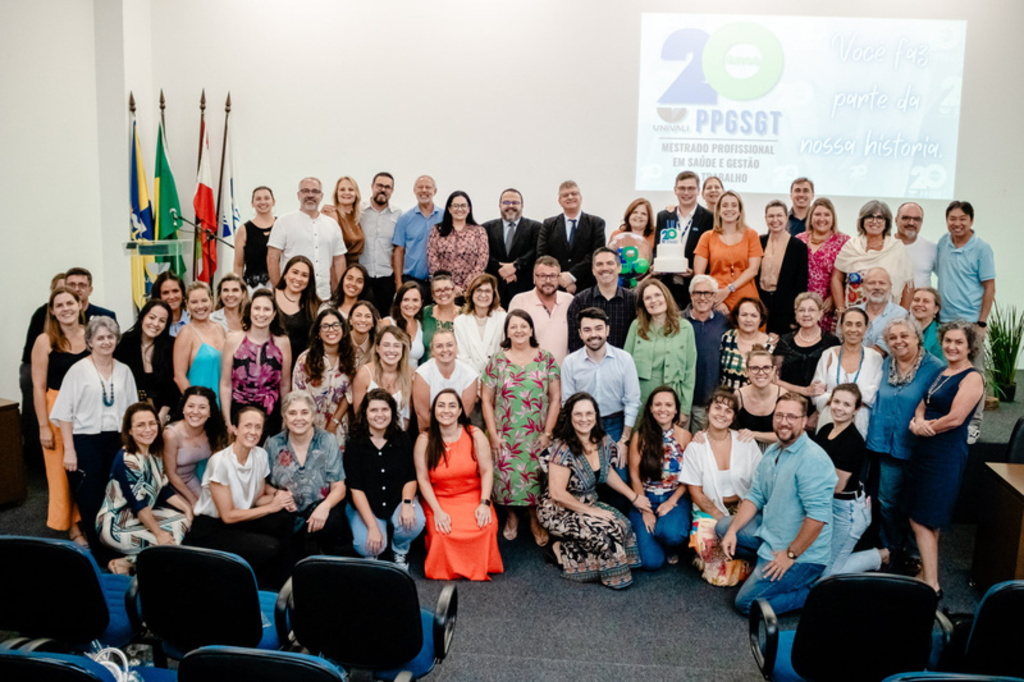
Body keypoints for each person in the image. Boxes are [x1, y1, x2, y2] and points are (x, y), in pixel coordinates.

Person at [719, 394, 837, 615]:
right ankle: (766, 569)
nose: (784, 422)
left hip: (802, 554)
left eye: (792, 417)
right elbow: (755, 495)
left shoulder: (813, 460)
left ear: (804, 422)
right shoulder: (773, 451)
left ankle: (813, 592)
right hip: (772, 535)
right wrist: (734, 531)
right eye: (780, 415)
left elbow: (817, 518)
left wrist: (789, 556)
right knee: (724, 527)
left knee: (746, 604)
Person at [537, 392, 648, 589]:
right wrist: (593, 512)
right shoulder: (562, 448)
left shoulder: (602, 440)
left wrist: (634, 497)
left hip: (588, 501)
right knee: (607, 536)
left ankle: (588, 555)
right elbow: (557, 494)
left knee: (623, 525)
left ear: (596, 415)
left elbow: (608, 473)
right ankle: (560, 551)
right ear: (570, 417)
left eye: (589, 413)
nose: (584, 419)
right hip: (558, 510)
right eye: (578, 414)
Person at [907, 321, 985, 595]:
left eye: (958, 342)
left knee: (921, 519)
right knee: (930, 517)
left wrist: (927, 427)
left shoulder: (972, 377)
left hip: (945, 454)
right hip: (925, 451)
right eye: (948, 341)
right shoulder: (942, 371)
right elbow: (922, 404)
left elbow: (955, 419)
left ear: (969, 347)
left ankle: (932, 585)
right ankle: (927, 572)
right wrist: (917, 422)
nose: (952, 346)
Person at [51, 317, 138, 550]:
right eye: (100, 337)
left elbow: (132, 412)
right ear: (90, 341)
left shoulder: (124, 371)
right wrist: (69, 450)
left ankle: (118, 545)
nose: (106, 341)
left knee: (118, 496)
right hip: (85, 442)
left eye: (110, 337)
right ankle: (99, 555)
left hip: (118, 441)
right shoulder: (77, 370)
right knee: (91, 498)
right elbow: (64, 413)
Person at [186, 406, 295, 589]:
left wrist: (280, 497)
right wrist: (271, 507)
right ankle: (256, 590)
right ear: (235, 429)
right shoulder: (220, 462)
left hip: (242, 516)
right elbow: (228, 516)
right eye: (248, 426)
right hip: (212, 527)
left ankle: (286, 585)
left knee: (286, 518)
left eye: (258, 427)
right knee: (270, 547)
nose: (253, 432)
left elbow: (259, 497)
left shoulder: (259, 454)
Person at [866, 317, 944, 574]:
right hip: (887, 445)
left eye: (904, 336)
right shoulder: (886, 363)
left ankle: (916, 553)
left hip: (918, 448)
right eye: (893, 338)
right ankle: (892, 547)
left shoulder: (934, 368)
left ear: (917, 338)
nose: (898, 341)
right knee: (887, 502)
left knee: (917, 506)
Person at [481, 310, 561, 544]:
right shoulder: (497, 360)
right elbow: (486, 399)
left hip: (537, 433)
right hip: (504, 434)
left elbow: (555, 398)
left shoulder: (546, 359)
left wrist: (548, 432)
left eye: (523, 326)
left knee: (536, 477)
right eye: (513, 326)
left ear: (531, 329)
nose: (518, 330)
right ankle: (512, 516)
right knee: (506, 478)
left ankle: (534, 517)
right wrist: (493, 435)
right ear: (506, 331)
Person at [414, 389, 503, 581]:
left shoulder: (475, 435)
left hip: (472, 495)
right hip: (439, 499)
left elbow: (487, 471)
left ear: (461, 410)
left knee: (485, 527)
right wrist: (437, 510)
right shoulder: (424, 440)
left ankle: (478, 566)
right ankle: (445, 568)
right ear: (434, 410)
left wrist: (484, 503)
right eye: (441, 405)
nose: (447, 411)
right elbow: (422, 479)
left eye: (452, 405)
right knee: (443, 533)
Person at [97, 403, 192, 573]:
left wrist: (187, 508)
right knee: (167, 544)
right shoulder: (127, 460)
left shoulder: (153, 454)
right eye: (140, 425)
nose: (148, 429)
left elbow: (162, 490)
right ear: (130, 431)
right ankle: (135, 567)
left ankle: (130, 562)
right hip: (117, 524)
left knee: (182, 521)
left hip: (138, 516)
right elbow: (138, 505)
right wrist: (159, 533)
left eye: (152, 423)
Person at [680, 388, 762, 586]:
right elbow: (696, 493)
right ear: (708, 410)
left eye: (728, 410)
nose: (721, 414)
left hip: (745, 510)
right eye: (717, 408)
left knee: (744, 546)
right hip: (709, 513)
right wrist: (720, 517)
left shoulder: (745, 442)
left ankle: (739, 559)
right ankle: (744, 564)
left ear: (733, 417)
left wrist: (741, 516)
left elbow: (760, 483)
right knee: (719, 575)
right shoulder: (696, 446)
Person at [32, 287, 89, 542]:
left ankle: (88, 518)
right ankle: (71, 526)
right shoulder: (45, 341)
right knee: (60, 474)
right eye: (59, 305)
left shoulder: (91, 335)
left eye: (70, 303)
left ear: (80, 305)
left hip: (88, 412)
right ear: (53, 311)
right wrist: (43, 426)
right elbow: (38, 386)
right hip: (55, 410)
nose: (65, 308)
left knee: (85, 468)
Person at [344, 389, 425, 568]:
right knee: (367, 546)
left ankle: (400, 550)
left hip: (396, 500)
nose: (379, 415)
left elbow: (410, 477)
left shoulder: (403, 439)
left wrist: (406, 504)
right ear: (365, 414)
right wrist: (372, 527)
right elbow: (355, 489)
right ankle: (375, 548)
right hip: (367, 505)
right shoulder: (354, 443)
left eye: (384, 409)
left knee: (414, 522)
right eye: (373, 410)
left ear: (392, 412)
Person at [936, 201, 994, 444]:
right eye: (952, 218)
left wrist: (981, 323)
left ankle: (974, 423)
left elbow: (989, 286)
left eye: (962, 219)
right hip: (945, 320)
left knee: (975, 372)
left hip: (971, 321)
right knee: (945, 371)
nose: (957, 223)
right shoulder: (943, 242)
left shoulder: (982, 248)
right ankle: (948, 416)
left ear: (971, 220)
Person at [815, 384, 888, 577]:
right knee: (815, 561)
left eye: (847, 405)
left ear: (856, 410)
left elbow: (837, 486)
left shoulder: (853, 441)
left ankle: (878, 556)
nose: (839, 408)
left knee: (826, 575)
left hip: (846, 512)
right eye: (836, 401)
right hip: (827, 505)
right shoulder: (826, 430)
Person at [561, 307, 641, 484]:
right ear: (580, 334)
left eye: (598, 328)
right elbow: (567, 403)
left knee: (619, 478)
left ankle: (618, 512)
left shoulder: (624, 359)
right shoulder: (570, 363)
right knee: (586, 478)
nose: (593, 334)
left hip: (615, 424)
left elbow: (632, 401)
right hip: (583, 425)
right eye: (587, 330)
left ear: (607, 330)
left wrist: (623, 441)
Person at [265, 392, 348, 556]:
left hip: (320, 507)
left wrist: (325, 507)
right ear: (284, 417)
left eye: (304, 412)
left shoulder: (327, 441)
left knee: (333, 522)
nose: (298, 418)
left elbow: (339, 487)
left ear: (312, 416)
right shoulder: (273, 444)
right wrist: (278, 494)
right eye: (292, 413)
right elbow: (264, 485)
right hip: (287, 511)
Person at [627, 386, 692, 570]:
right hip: (645, 497)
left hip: (674, 497)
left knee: (671, 533)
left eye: (668, 405)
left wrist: (671, 502)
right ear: (650, 408)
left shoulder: (686, 437)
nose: (663, 409)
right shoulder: (640, 437)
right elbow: (634, 474)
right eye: (658, 404)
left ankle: (670, 542)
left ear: (676, 410)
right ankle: (653, 539)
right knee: (651, 562)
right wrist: (645, 509)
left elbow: (689, 477)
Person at [220, 290, 292, 439]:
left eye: (266, 309)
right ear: (250, 311)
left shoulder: (283, 342)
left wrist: (285, 417)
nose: (261, 313)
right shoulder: (233, 340)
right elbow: (226, 384)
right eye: (257, 308)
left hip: (271, 415)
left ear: (273, 315)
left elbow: (285, 384)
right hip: (239, 413)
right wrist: (227, 422)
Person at [623, 278, 697, 419]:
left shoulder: (685, 327)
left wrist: (685, 409)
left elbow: (690, 371)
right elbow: (625, 366)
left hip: (672, 397)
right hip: (641, 396)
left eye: (657, 295)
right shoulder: (636, 326)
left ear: (666, 296)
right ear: (643, 303)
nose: (653, 301)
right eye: (648, 298)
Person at [267, 176, 347, 301]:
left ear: (321, 196)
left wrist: (340, 295)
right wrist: (279, 290)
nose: (310, 195)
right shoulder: (283, 222)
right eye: (305, 191)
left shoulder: (332, 225)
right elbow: (272, 258)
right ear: (298, 195)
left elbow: (339, 261)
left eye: (315, 191)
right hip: (292, 297)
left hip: (324, 296)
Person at [811, 307, 884, 437]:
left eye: (858, 325)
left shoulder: (875, 358)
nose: (853, 330)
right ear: (841, 326)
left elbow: (875, 393)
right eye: (848, 324)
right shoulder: (828, 354)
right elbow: (816, 392)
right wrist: (846, 401)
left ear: (866, 328)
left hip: (860, 422)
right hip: (829, 419)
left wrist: (835, 398)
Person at [832, 200, 913, 313]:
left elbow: (908, 285)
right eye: (869, 217)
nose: (875, 221)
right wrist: (840, 309)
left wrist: (902, 315)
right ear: (862, 221)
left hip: (888, 317)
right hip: (854, 318)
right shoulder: (851, 246)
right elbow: (836, 278)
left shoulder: (896, 248)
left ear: (886, 222)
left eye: (880, 217)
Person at [693, 190, 763, 311]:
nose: (729, 209)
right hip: (717, 299)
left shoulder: (751, 235)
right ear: (718, 210)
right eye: (724, 206)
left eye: (734, 205)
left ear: (740, 210)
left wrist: (729, 289)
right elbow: (699, 275)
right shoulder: (707, 237)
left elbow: (753, 270)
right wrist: (714, 300)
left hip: (746, 300)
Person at [654, 170, 714, 310]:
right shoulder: (664, 216)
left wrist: (694, 272)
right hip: (666, 287)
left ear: (698, 190)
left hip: (694, 289)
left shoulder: (709, 218)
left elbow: (711, 255)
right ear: (675, 190)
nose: (686, 192)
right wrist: (655, 266)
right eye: (682, 188)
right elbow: (657, 248)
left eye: (691, 188)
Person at [292, 308, 356, 435]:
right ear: (318, 333)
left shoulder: (350, 359)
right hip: (309, 426)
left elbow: (349, 396)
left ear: (343, 330)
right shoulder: (305, 360)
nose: (331, 329)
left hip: (338, 427)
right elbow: (298, 397)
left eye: (336, 325)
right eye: (325, 326)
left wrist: (334, 423)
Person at [773, 293, 840, 412]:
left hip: (822, 408)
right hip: (788, 405)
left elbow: (835, 382)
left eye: (812, 310)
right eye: (801, 310)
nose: (806, 314)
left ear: (820, 314)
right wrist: (804, 391)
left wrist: (817, 413)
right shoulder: (785, 341)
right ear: (796, 314)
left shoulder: (831, 342)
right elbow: (775, 379)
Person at [114, 300, 178, 423]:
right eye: (152, 317)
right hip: (130, 412)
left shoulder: (172, 346)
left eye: (162, 321)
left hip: (165, 413)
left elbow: (173, 386)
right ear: (143, 317)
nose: (155, 324)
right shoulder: (124, 343)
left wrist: (162, 416)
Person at [163, 386, 227, 508]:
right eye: (191, 406)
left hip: (191, 479)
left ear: (210, 412)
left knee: (214, 507)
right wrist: (192, 500)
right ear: (183, 409)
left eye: (202, 407)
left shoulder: (212, 432)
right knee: (197, 510)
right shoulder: (171, 434)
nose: (195, 412)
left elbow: (216, 467)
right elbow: (170, 474)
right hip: (170, 484)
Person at [537, 180, 606, 293]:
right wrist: (560, 278)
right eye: (565, 195)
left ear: (581, 197)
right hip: (555, 286)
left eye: (574, 194)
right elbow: (542, 254)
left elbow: (596, 254)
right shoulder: (548, 224)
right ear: (559, 201)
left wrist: (572, 275)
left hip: (587, 286)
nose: (570, 197)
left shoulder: (596, 223)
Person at [566, 247, 637, 353]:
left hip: (624, 366)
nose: (605, 268)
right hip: (590, 366)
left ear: (619, 268)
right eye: (599, 264)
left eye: (609, 263)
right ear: (593, 270)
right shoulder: (580, 301)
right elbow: (575, 342)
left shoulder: (633, 300)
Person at [683, 275, 730, 431]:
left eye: (708, 293)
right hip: (679, 399)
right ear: (691, 295)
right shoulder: (677, 321)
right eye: (697, 293)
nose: (702, 297)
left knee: (700, 447)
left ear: (715, 296)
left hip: (706, 400)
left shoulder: (724, 322)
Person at [796, 198, 850, 333]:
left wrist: (833, 297)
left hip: (829, 307)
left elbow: (849, 276)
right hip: (803, 307)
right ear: (810, 217)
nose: (822, 218)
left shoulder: (844, 241)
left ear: (833, 218)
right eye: (817, 214)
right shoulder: (798, 240)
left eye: (826, 214)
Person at [509, 256, 574, 365]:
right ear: (534, 278)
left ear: (559, 278)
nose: (548, 281)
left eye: (552, 276)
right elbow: (510, 340)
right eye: (542, 276)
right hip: (529, 375)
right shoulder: (520, 302)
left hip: (562, 375)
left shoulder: (569, 301)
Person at [758, 200, 808, 335]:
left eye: (779, 216)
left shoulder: (798, 246)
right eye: (771, 216)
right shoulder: (759, 241)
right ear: (766, 218)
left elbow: (801, 284)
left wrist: (795, 316)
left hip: (785, 308)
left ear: (786, 218)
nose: (775, 220)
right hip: (760, 305)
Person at [413, 330, 478, 433]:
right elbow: (422, 414)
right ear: (432, 351)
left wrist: (450, 435)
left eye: (449, 345)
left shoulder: (470, 375)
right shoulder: (422, 373)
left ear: (456, 348)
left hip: (458, 429)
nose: (445, 350)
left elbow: (464, 414)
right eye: (439, 346)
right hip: (430, 430)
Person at [426, 191, 489, 297]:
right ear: (449, 209)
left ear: (469, 209)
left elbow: (482, 261)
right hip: (443, 290)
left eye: (463, 206)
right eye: (455, 206)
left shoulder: (479, 231)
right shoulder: (437, 230)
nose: (459, 209)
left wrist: (465, 287)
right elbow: (432, 260)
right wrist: (451, 287)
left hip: (471, 290)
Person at [483, 188, 540, 303]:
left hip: (525, 288)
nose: (510, 206)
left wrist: (515, 266)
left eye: (515, 203)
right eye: (506, 202)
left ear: (522, 205)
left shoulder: (536, 228)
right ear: (499, 205)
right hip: (495, 290)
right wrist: (502, 270)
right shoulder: (485, 228)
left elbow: (536, 251)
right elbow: (483, 254)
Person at [351, 325, 414, 430]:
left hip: (399, 436)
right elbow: (359, 416)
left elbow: (407, 417)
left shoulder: (410, 374)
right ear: (377, 348)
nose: (391, 350)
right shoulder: (364, 374)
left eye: (397, 345)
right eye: (386, 345)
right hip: (369, 436)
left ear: (403, 349)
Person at [173, 283, 227, 403]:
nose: (200, 306)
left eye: (204, 300)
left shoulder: (220, 328)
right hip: (200, 407)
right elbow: (179, 377)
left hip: (223, 402)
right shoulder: (186, 333)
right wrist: (196, 405)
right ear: (187, 305)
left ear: (211, 301)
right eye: (194, 302)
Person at [358, 171, 402, 311]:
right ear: (372, 186)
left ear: (392, 190)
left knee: (384, 319)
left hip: (386, 277)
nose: (383, 190)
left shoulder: (398, 214)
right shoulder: (359, 211)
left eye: (387, 187)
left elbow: (399, 248)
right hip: (361, 276)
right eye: (379, 185)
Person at [393, 175, 442, 293]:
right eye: (420, 187)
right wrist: (399, 283)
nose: (424, 190)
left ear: (435, 191)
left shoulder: (445, 217)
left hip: (439, 282)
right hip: (412, 280)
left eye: (428, 187)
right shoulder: (404, 219)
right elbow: (398, 252)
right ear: (414, 191)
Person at [453, 273, 507, 374]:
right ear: (471, 293)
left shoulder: (503, 318)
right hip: (470, 379)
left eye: (487, 291)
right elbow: (463, 358)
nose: (483, 295)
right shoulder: (460, 322)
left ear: (493, 295)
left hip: (497, 378)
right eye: (479, 290)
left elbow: (506, 353)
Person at [718, 297, 775, 391]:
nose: (748, 320)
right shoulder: (727, 338)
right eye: (744, 315)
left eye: (754, 315)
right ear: (737, 317)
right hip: (728, 401)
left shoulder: (771, 344)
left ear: (761, 318)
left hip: (756, 401)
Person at [274, 256, 319, 367]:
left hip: (301, 367)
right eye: (295, 272)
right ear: (285, 274)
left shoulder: (315, 305)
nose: (298, 278)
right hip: (270, 365)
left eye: (304, 275)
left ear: (309, 281)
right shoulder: (269, 297)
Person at [853, 267, 909, 355]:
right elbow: (844, 343)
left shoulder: (900, 314)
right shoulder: (852, 312)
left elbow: (879, 351)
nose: (877, 287)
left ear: (890, 287)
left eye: (882, 283)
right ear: (863, 287)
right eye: (871, 283)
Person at [735, 349, 783, 449]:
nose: (761, 373)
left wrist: (754, 434)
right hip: (744, 451)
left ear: (774, 370)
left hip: (777, 452)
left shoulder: (783, 396)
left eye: (766, 367)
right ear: (747, 371)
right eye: (754, 368)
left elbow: (789, 435)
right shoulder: (738, 396)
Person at [233, 185, 276, 290]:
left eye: (266, 198)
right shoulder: (244, 230)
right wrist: (240, 290)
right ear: (252, 203)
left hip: (279, 287)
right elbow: (238, 265)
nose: (262, 202)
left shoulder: (282, 225)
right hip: (252, 288)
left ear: (273, 202)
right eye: (258, 199)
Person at [321, 176, 365, 267]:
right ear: (336, 193)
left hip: (356, 268)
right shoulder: (331, 215)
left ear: (356, 194)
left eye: (351, 189)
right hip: (339, 268)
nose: (346, 193)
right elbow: (329, 252)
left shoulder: (358, 216)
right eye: (342, 189)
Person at [383, 281, 425, 368]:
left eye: (415, 300)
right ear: (399, 302)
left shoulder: (419, 324)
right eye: (406, 300)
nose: (410, 304)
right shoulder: (387, 323)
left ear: (421, 303)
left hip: (413, 379)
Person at [894, 202, 935, 289]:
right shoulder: (884, 246)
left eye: (917, 219)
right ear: (896, 220)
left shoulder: (932, 248)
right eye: (906, 218)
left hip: (920, 302)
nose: (911, 223)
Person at [421, 271, 459, 363]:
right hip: (427, 371)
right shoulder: (425, 313)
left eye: (447, 289)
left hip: (457, 371)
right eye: (438, 290)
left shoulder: (466, 314)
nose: (443, 293)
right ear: (433, 296)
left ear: (454, 291)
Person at [151, 271, 189, 337]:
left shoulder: (194, 321)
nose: (171, 297)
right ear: (158, 296)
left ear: (182, 293)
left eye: (175, 291)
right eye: (165, 292)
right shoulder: (153, 326)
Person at [911, 287, 944, 359]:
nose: (919, 304)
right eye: (916, 300)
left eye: (926, 301)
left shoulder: (943, 334)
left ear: (936, 309)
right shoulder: (904, 328)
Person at [348, 300, 380, 368]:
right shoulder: (341, 341)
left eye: (368, 316)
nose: (363, 320)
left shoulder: (378, 345)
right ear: (350, 320)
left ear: (373, 322)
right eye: (358, 315)